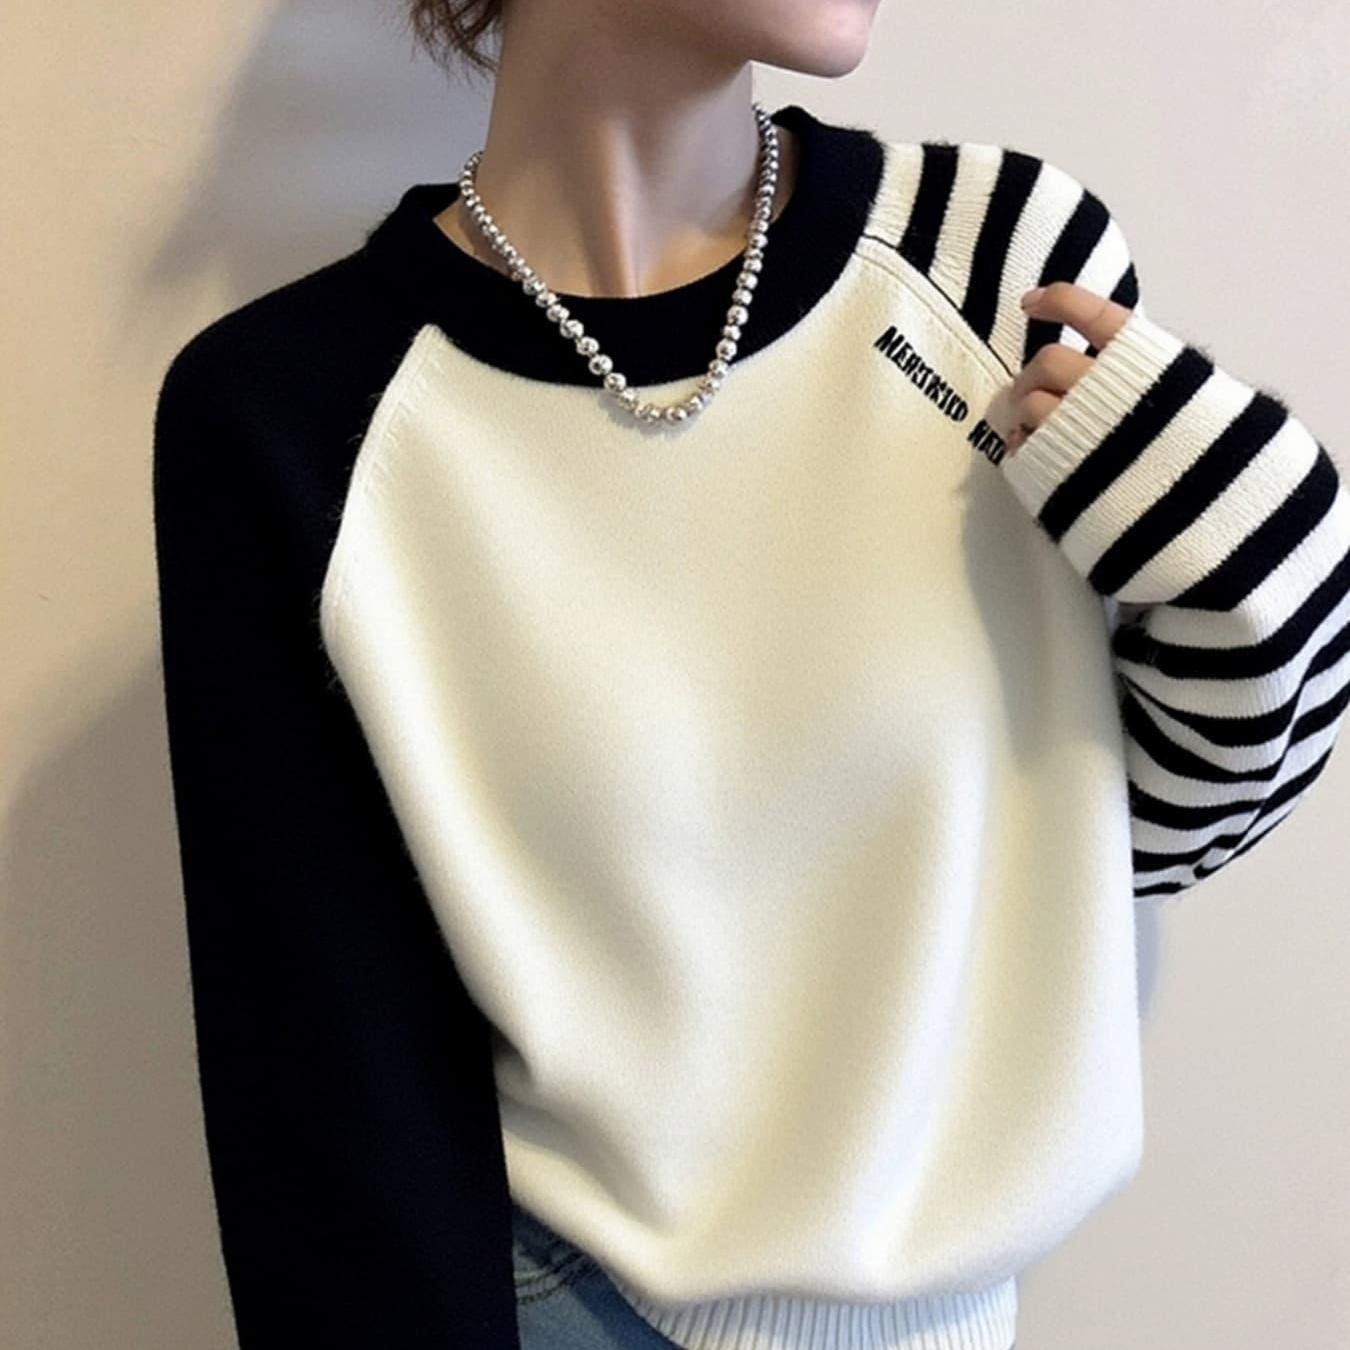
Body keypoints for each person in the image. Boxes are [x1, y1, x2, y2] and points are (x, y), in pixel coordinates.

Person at [149, 1, 1350, 1348]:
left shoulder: (989, 263)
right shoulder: (293, 412)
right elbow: (328, 1095)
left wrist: (1264, 558)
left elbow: (1106, 848)